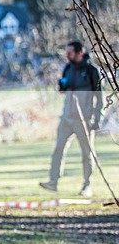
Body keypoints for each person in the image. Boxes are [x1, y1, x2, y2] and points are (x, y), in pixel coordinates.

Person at [40, 41, 102, 197]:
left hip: (84, 119)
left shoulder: (91, 71)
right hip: (67, 117)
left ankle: (87, 186)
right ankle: (53, 182)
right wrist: (62, 85)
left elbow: (99, 98)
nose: (67, 56)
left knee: (87, 153)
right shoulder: (68, 68)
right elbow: (63, 90)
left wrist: (97, 118)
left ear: (80, 53)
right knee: (58, 149)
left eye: (70, 53)